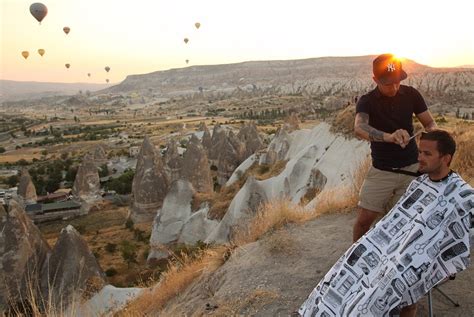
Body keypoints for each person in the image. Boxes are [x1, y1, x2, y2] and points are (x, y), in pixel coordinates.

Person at [299, 130, 473, 317]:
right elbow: (396, 220)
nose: (420, 158)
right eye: (420, 152)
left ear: (446, 158)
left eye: (427, 154)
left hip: (421, 261)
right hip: (393, 249)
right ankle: (314, 310)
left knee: (382, 288)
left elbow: (458, 242)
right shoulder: (419, 183)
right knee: (352, 260)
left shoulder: (463, 195)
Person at [353, 53, 438, 243]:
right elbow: (359, 127)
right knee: (364, 221)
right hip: (382, 170)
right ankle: (355, 263)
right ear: (375, 79)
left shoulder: (412, 94)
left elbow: (430, 123)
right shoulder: (367, 101)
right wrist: (389, 137)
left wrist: (431, 135)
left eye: (397, 81)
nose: (394, 87)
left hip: (412, 169)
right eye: (387, 83)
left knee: (406, 221)